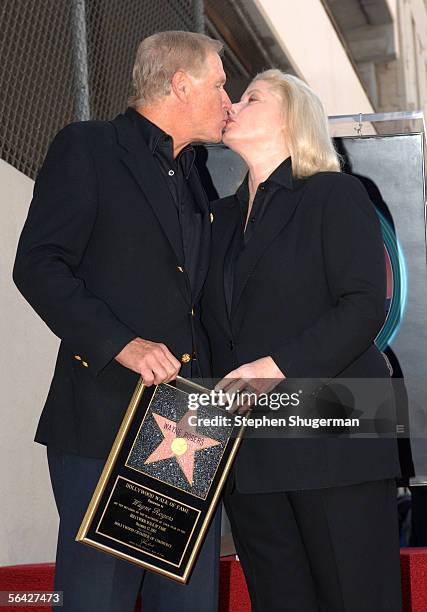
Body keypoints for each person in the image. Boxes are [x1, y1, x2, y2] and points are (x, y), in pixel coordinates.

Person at [13, 30, 231, 612]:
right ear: (181, 85)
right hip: (105, 418)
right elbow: (37, 265)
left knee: (188, 598)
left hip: (189, 421)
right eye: (220, 85)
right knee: (96, 598)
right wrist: (122, 344)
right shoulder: (89, 147)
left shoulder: (195, 172)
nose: (228, 100)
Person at [201, 70, 402, 611]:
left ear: (291, 118)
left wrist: (276, 365)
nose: (233, 105)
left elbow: (363, 307)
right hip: (250, 445)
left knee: (358, 597)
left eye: (251, 97)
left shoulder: (334, 194)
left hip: (335, 432)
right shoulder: (217, 218)